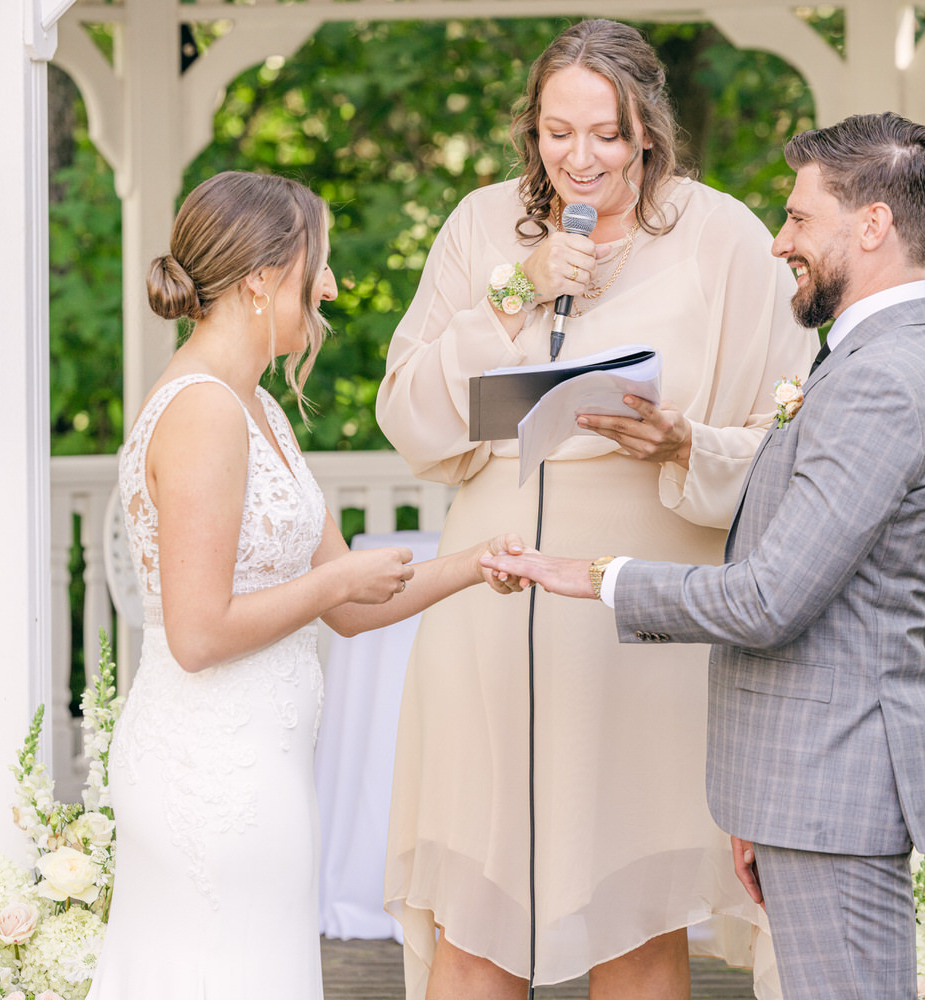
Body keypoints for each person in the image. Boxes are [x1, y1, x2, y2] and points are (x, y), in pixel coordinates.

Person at [481, 112, 925, 1000]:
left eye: (798, 218)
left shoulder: (882, 379)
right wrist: (756, 807)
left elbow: (769, 600)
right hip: (803, 784)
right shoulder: (867, 357)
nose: (780, 239)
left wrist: (595, 575)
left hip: (836, 784)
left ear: (871, 227)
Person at [375, 19, 814, 1000]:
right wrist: (509, 298)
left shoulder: (724, 236)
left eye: (606, 136)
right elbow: (408, 417)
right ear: (530, 130)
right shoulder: (481, 225)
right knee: (477, 915)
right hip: (488, 601)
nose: (580, 159)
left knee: (635, 916)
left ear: (648, 131)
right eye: (556, 133)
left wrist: (683, 444)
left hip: (638, 617)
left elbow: (788, 436)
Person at [86, 171, 526, 1000]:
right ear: (260, 277)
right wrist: (335, 584)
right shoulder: (203, 411)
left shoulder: (260, 410)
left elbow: (358, 606)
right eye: (313, 264)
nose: (329, 284)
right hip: (209, 776)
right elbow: (199, 633)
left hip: (266, 766)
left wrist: (479, 562)